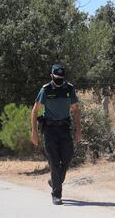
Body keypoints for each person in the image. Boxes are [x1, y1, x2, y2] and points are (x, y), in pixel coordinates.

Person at [31, 64, 81, 205]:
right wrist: (34, 132)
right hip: (50, 130)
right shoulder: (46, 90)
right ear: (51, 76)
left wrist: (79, 130)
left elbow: (75, 110)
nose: (59, 80)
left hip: (65, 128)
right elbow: (35, 111)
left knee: (67, 157)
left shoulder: (69, 89)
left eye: (61, 78)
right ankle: (56, 194)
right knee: (54, 161)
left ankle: (54, 181)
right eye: (56, 77)